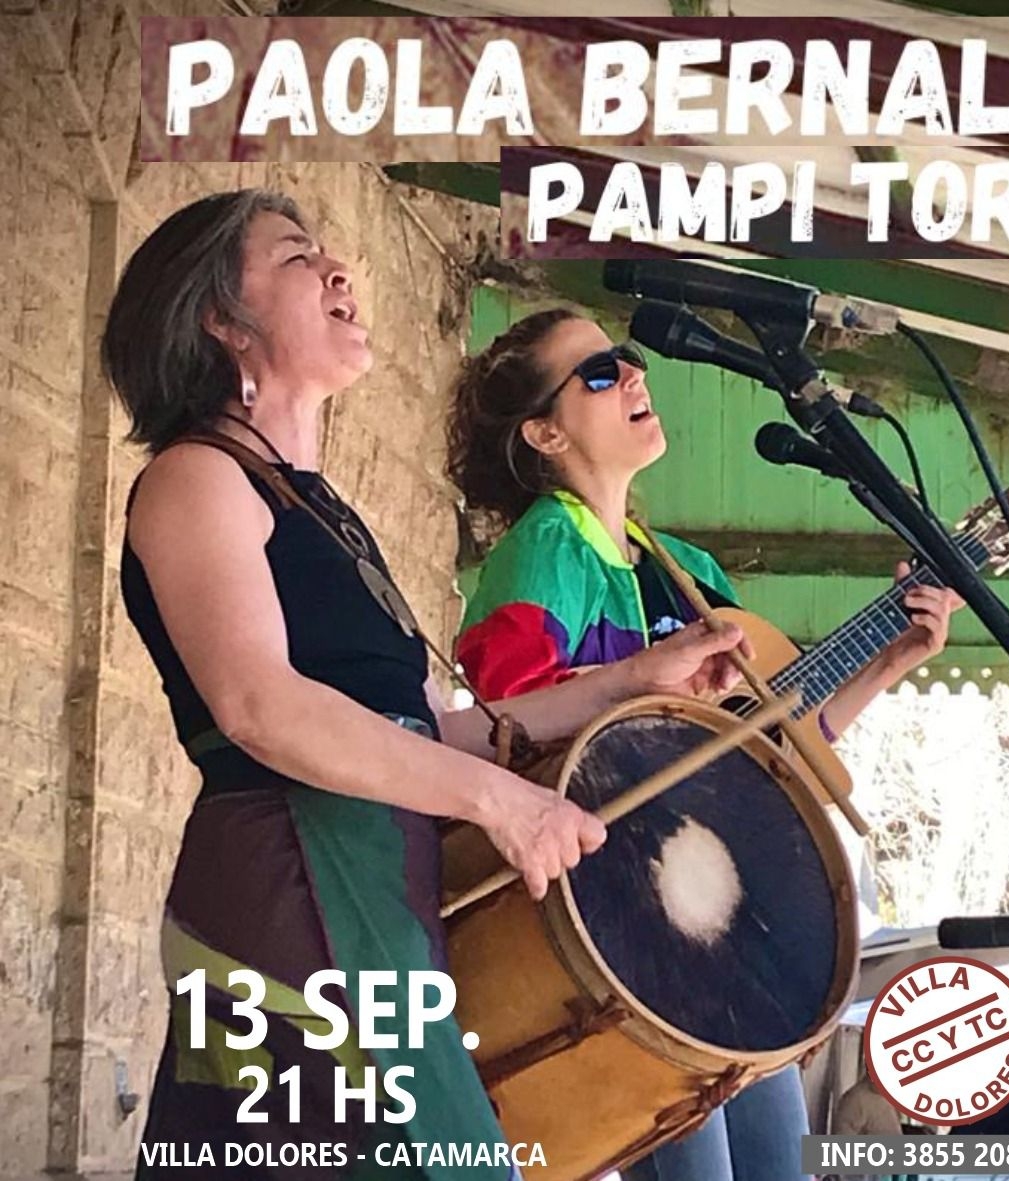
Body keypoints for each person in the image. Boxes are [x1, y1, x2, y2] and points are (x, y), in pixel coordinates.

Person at [103, 191, 750, 1181]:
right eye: (296, 256)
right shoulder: (196, 477)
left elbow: (416, 731)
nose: (338, 269)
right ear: (222, 318)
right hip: (292, 876)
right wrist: (504, 802)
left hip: (370, 877)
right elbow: (259, 708)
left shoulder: (315, 506)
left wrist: (628, 680)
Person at [446, 308, 963, 1181]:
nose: (634, 374)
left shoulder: (688, 572)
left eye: (627, 358)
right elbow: (508, 720)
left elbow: (773, 753)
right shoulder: (544, 548)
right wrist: (638, 689)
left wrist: (891, 660)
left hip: (714, 918)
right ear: (543, 432)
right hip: (617, 927)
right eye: (600, 372)